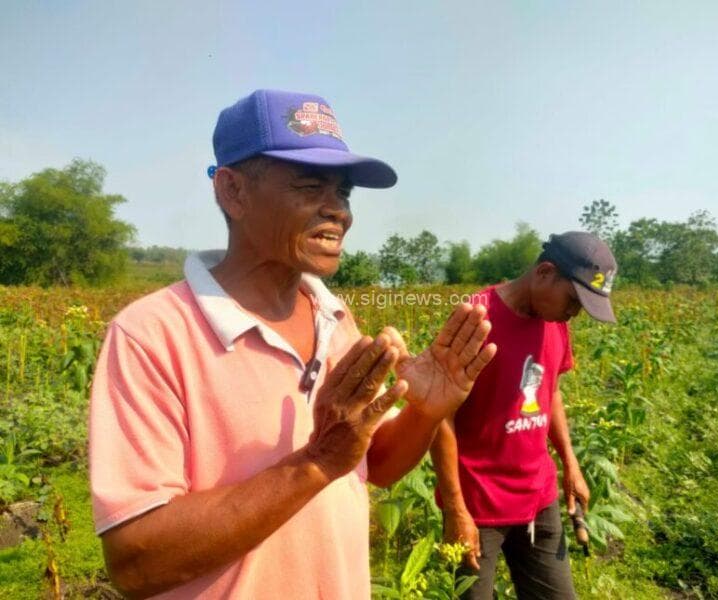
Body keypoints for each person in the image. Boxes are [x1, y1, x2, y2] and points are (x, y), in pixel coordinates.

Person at [89, 89, 497, 599]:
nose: (338, 212)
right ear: (233, 191)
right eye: (309, 185)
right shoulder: (152, 334)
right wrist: (314, 463)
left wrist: (425, 413)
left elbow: (372, 464)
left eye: (344, 193)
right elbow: (137, 561)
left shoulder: (336, 319)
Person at [430, 231, 618, 600]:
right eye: (574, 300)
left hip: (539, 497)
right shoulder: (476, 317)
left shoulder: (555, 321)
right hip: (478, 504)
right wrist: (455, 508)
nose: (574, 313)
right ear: (545, 272)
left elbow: (552, 391)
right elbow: (439, 413)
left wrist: (570, 463)